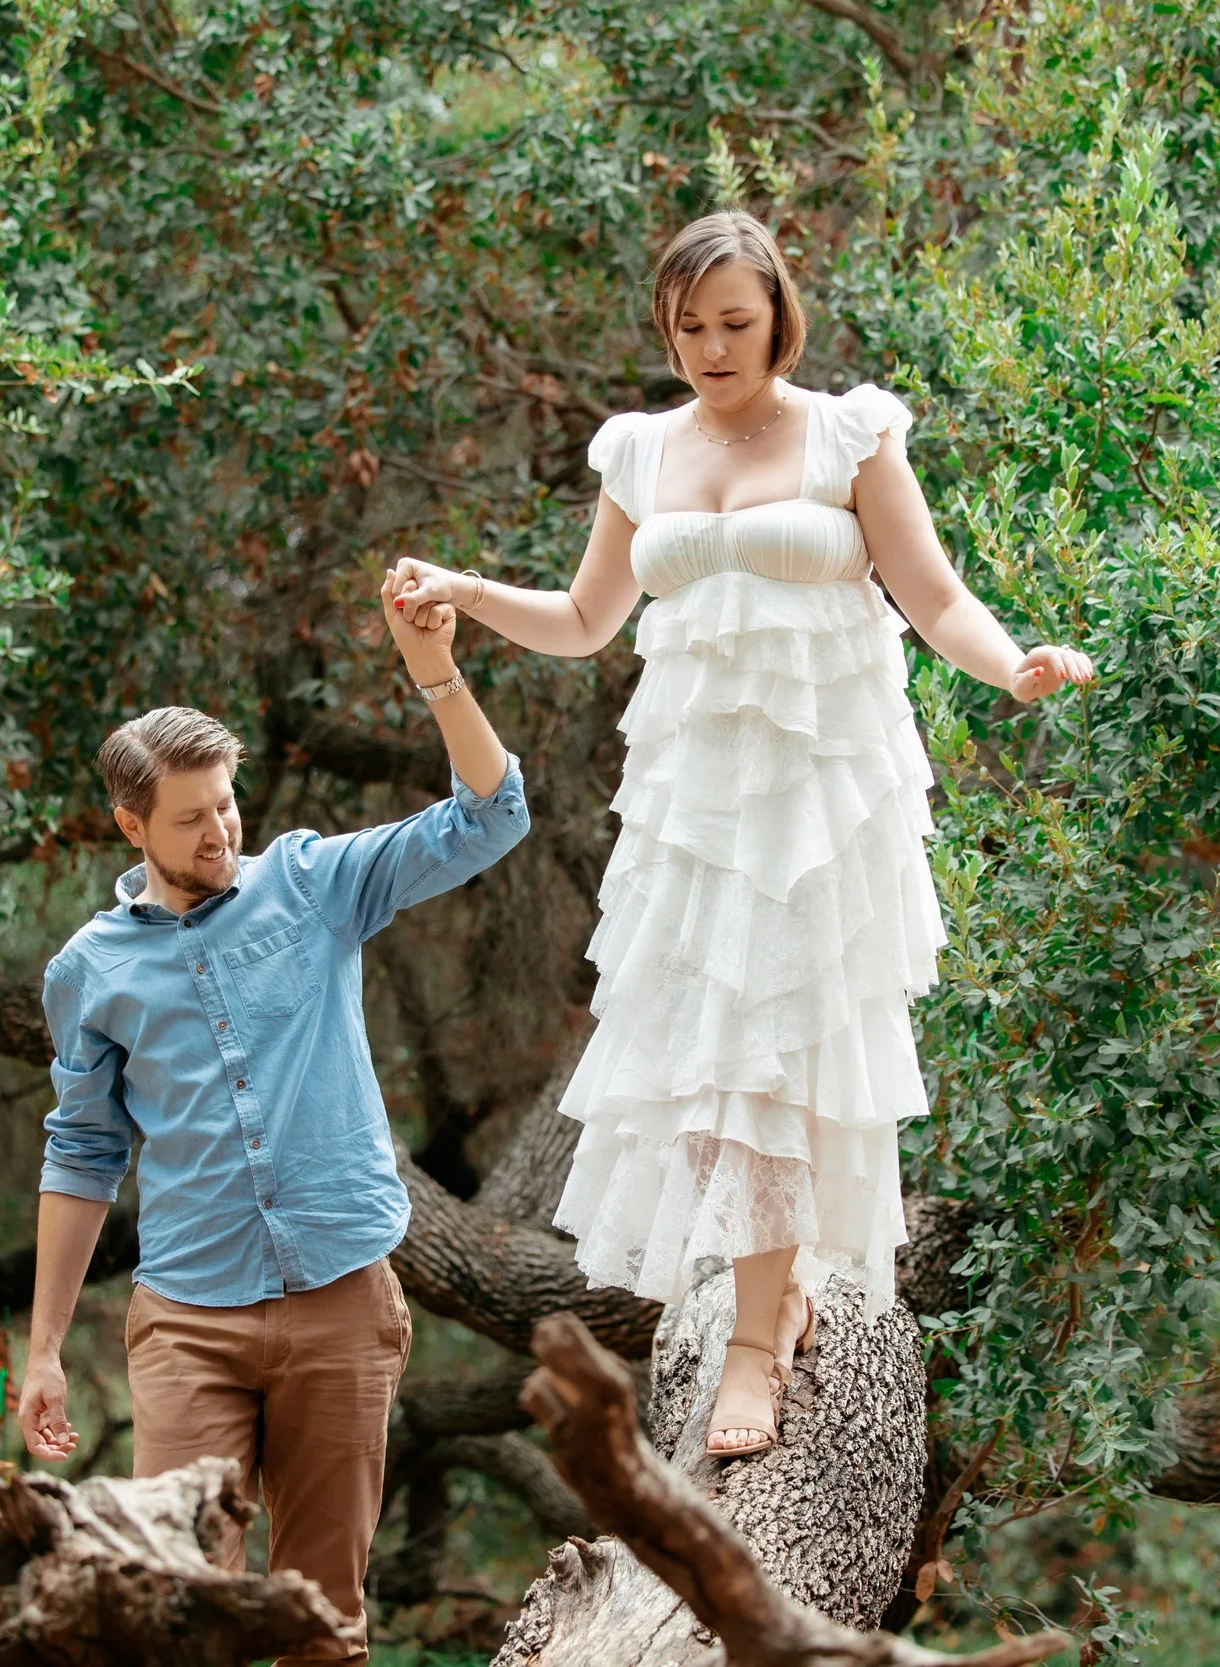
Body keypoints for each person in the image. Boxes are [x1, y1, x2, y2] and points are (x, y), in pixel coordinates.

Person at [386, 210, 1095, 1458]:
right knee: (718, 1059)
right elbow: (584, 617)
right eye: (688, 326)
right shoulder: (639, 452)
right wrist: (465, 592)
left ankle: (759, 1346)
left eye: (735, 322)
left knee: (781, 1047)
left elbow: (930, 593)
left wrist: (1011, 668)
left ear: (778, 314)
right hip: (695, 800)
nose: (712, 347)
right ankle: (770, 1297)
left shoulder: (848, 432)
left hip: (818, 792)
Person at [14, 578, 527, 1666]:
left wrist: (433, 669)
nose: (218, 830)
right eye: (190, 816)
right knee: (174, 1607)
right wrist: (45, 1346)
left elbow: (492, 814)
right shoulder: (89, 971)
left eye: (226, 804)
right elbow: (82, 1154)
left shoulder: (310, 883)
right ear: (130, 823)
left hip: (341, 1299)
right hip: (188, 1318)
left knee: (321, 1619)